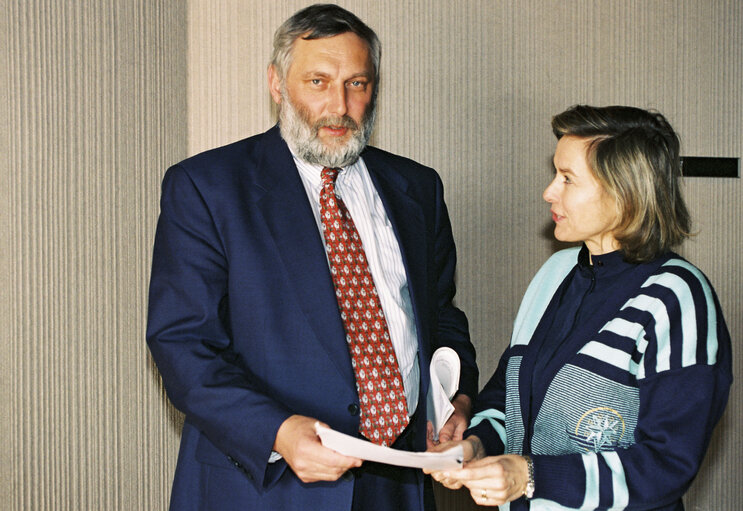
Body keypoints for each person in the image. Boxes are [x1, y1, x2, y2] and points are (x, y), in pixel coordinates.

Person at [146, 4, 478, 511]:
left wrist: (457, 399)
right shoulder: (208, 187)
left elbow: (442, 318)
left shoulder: (418, 188)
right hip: (265, 486)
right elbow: (183, 343)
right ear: (277, 83)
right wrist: (277, 433)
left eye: (357, 84)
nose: (339, 106)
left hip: (401, 482)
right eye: (319, 82)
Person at [427, 105, 732, 510]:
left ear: (625, 190)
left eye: (567, 179)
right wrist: (476, 444)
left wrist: (530, 476)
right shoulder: (556, 272)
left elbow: (667, 463)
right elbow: (506, 398)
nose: (549, 192)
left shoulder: (677, 296)